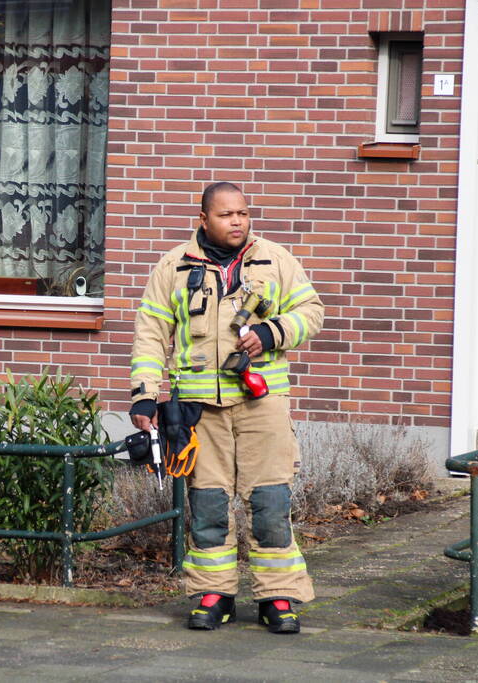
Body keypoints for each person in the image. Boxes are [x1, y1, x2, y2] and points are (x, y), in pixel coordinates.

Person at [129, 182, 323, 634]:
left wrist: (274, 332)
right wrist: (144, 392)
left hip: (262, 403)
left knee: (270, 502)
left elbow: (311, 311)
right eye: (226, 215)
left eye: (243, 213)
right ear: (203, 220)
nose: (237, 221)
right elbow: (150, 333)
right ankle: (215, 593)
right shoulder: (173, 266)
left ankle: (279, 597)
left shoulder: (275, 260)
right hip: (200, 410)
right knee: (210, 505)